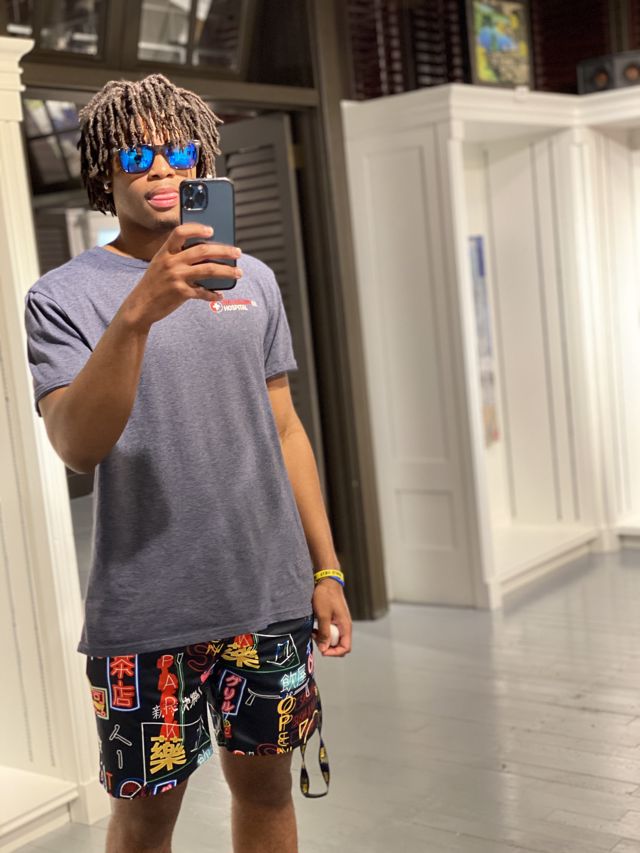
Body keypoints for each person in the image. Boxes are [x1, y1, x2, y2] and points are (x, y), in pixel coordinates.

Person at [24, 73, 351, 853]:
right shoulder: (61, 296)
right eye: (138, 153)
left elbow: (286, 428)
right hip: (145, 610)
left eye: (178, 150)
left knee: (268, 791)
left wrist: (327, 568)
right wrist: (137, 313)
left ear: (203, 160)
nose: (163, 168)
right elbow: (76, 444)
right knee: (146, 818)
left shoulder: (252, 278)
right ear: (104, 169)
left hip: (266, 595)